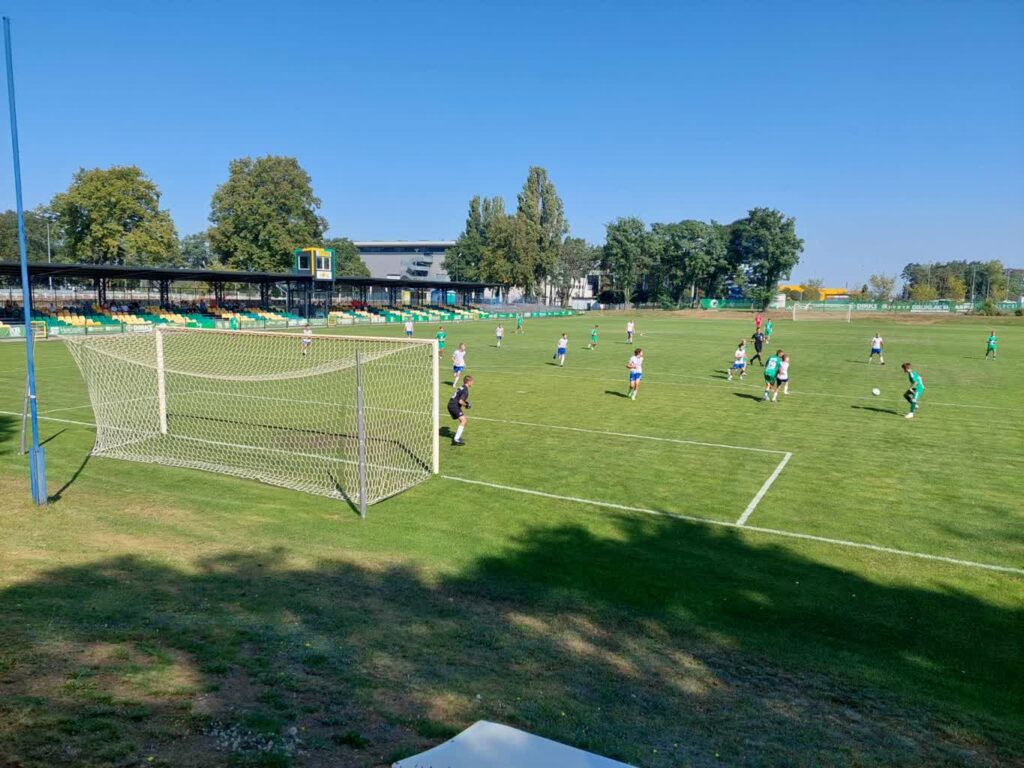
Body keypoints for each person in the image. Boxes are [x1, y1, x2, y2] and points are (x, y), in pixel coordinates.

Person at [448, 375, 473, 446]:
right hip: (454, 406)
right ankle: (456, 439)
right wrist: (467, 405)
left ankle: (457, 438)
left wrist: (465, 403)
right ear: (468, 382)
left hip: (451, 404)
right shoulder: (465, 390)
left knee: (463, 420)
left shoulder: (461, 387)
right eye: (472, 382)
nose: (472, 383)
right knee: (463, 420)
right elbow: (460, 401)